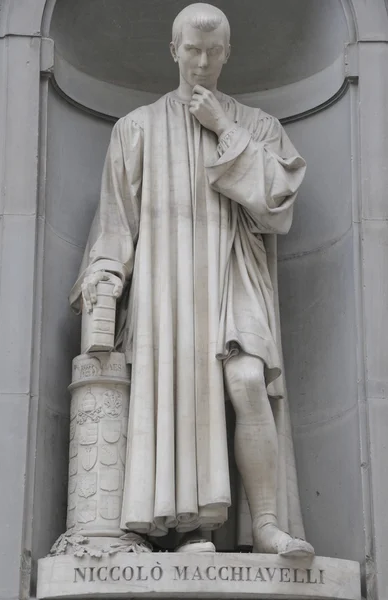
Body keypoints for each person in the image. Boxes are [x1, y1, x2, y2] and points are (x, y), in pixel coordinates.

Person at [70, 3, 314, 556]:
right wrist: (104, 276)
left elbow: (277, 203)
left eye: (213, 52)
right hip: (168, 284)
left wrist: (223, 128)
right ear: (173, 50)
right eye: (192, 51)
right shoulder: (136, 128)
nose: (202, 63)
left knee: (249, 380)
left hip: (234, 270)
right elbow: (115, 225)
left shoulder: (256, 126)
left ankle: (269, 525)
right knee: (180, 395)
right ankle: (191, 529)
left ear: (227, 54)